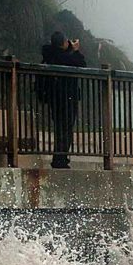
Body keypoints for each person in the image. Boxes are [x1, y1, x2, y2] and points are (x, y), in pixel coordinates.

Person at [40, 31, 86, 169]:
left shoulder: (49, 54)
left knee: (60, 128)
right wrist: (76, 50)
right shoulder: (64, 57)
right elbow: (81, 63)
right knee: (66, 129)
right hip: (66, 97)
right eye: (67, 41)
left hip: (54, 97)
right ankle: (60, 160)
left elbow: (66, 58)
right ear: (63, 43)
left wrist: (71, 50)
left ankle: (59, 158)